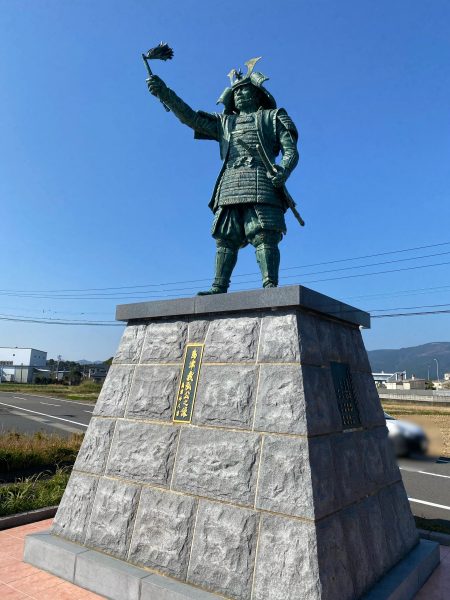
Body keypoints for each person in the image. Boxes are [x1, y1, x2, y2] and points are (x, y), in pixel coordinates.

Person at [147, 58, 299, 294]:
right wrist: (165, 94)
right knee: (225, 238)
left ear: (258, 93)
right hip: (230, 183)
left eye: (245, 90)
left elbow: (290, 150)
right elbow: (190, 117)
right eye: (236, 92)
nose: (239, 95)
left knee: (264, 234)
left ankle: (270, 287)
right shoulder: (224, 122)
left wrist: (284, 170)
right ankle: (219, 287)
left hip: (262, 179)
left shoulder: (273, 117)